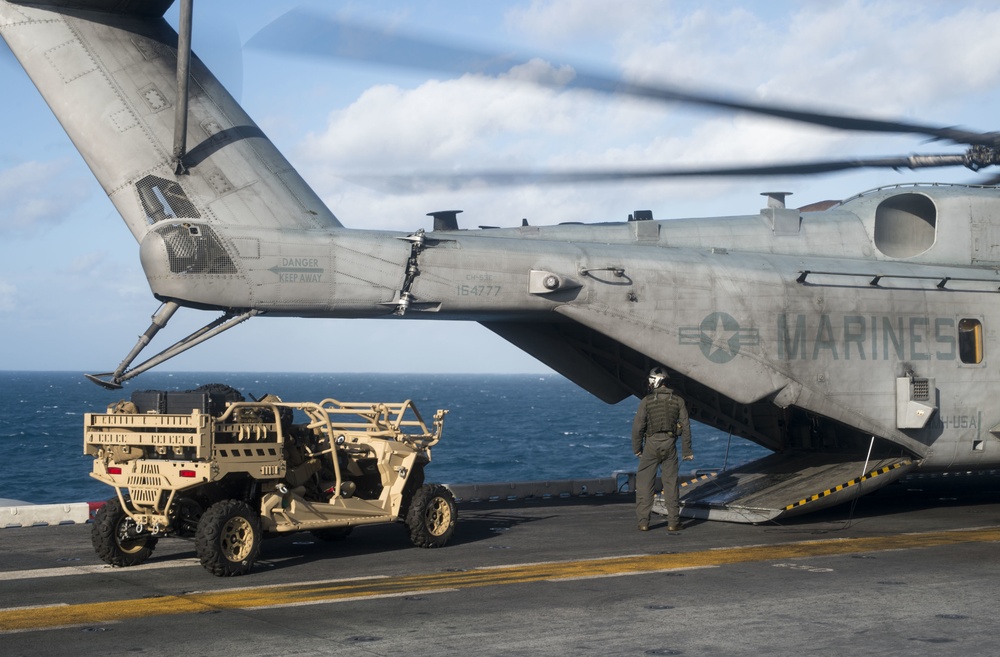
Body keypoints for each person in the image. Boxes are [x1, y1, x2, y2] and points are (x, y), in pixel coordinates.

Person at [632, 366, 693, 532]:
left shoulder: (646, 401)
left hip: (651, 444)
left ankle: (643, 522)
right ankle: (673, 522)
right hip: (670, 444)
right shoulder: (678, 400)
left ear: (656, 381)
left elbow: (638, 427)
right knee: (671, 484)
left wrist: (637, 448)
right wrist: (687, 452)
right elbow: (686, 427)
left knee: (644, 484)